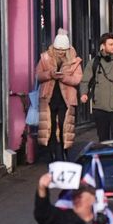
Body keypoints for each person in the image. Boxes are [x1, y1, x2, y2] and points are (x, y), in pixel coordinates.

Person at [35, 29, 84, 161]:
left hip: (66, 100)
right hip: (48, 98)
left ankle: (63, 152)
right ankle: (52, 155)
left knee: (65, 127)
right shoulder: (45, 58)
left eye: (63, 50)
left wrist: (64, 78)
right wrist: (50, 74)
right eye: (58, 50)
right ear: (54, 48)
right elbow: (38, 76)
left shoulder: (74, 60)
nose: (61, 52)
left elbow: (78, 78)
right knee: (49, 128)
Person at [79, 31, 113, 141]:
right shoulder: (94, 63)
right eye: (110, 44)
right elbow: (85, 81)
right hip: (100, 106)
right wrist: (83, 93)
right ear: (103, 46)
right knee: (103, 139)